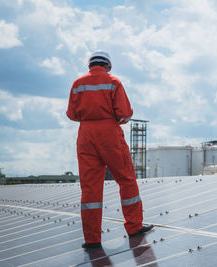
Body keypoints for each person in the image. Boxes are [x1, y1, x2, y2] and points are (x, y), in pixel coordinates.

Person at [66, 51, 154, 249]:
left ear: (91, 65)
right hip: (109, 133)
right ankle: (134, 227)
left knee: (89, 188)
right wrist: (113, 120)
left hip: (85, 135)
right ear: (108, 66)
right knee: (126, 179)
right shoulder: (113, 82)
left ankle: (92, 240)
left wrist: (88, 117)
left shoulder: (77, 84)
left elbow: (71, 114)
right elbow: (124, 113)